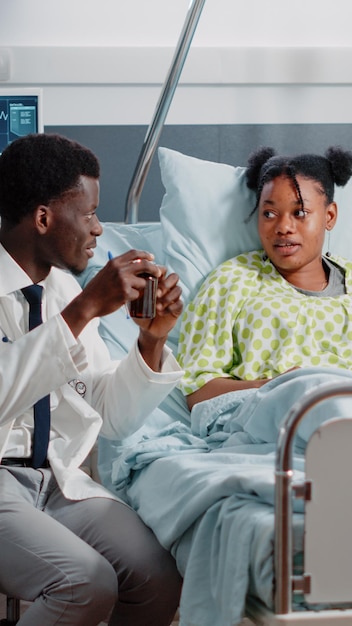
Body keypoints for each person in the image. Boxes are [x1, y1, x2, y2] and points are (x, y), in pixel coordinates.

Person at [0, 133, 184, 626]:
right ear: (43, 219)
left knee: (158, 577)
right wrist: (82, 311)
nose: (100, 229)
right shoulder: (73, 303)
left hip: (53, 478)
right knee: (84, 582)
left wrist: (151, 342)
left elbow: (107, 415)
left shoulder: (59, 289)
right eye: (89, 214)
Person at [177, 145, 352, 409]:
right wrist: (271, 388)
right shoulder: (231, 282)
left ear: (329, 216)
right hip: (266, 417)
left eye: (300, 212)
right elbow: (196, 389)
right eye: (269, 214)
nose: (283, 227)